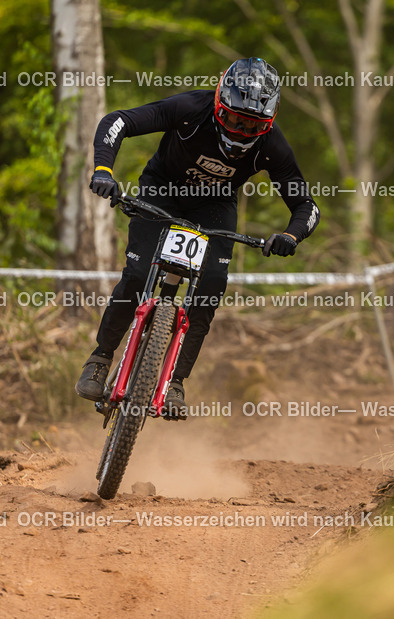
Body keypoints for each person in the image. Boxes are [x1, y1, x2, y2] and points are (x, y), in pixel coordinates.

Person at [74, 58, 320, 419]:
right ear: (219, 101)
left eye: (252, 125)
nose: (240, 130)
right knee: (138, 274)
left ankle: (175, 381)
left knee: (211, 288)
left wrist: (289, 236)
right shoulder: (190, 109)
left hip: (214, 207)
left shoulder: (272, 145)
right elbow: (119, 121)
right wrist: (103, 170)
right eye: (235, 118)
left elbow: (306, 206)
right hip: (162, 190)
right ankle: (100, 358)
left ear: (268, 121)